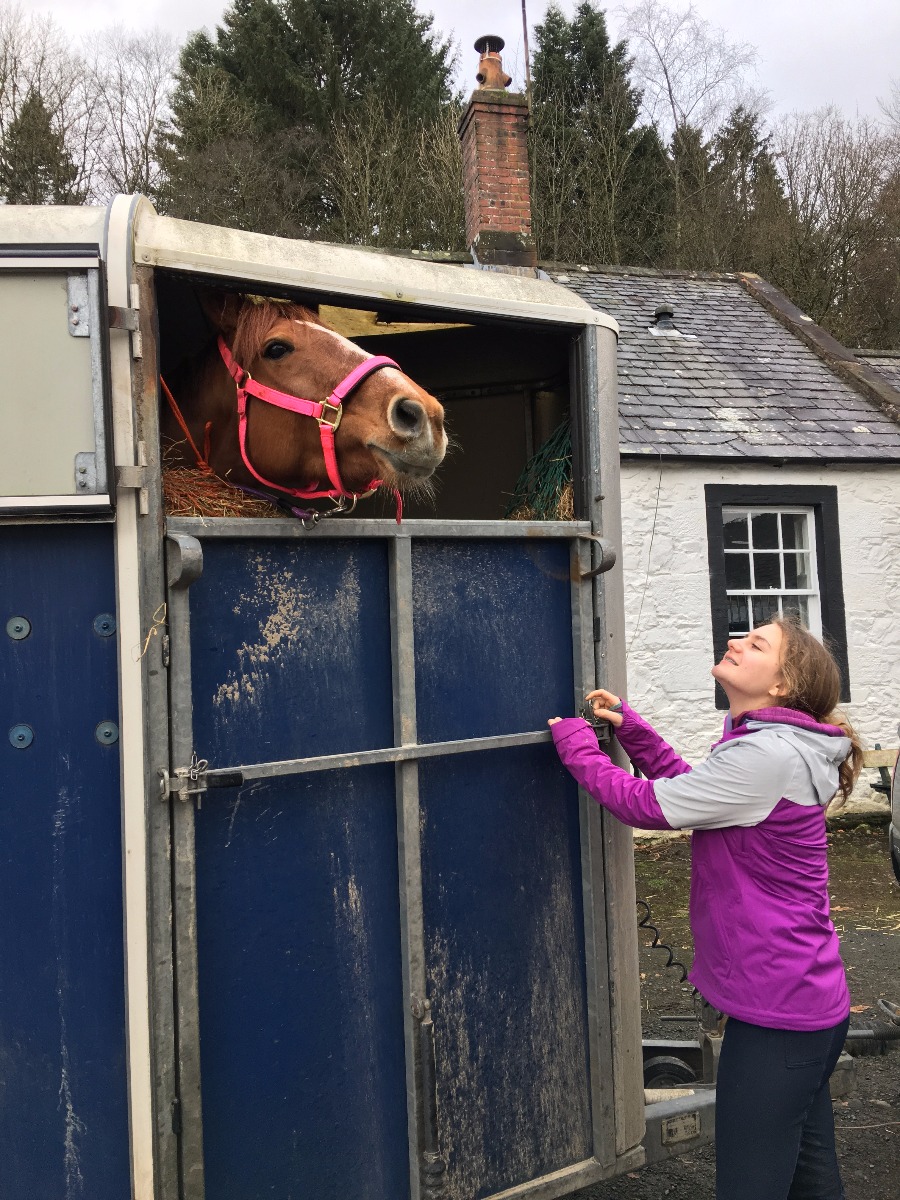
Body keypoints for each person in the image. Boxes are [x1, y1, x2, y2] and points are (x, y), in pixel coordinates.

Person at [548, 616, 862, 1200]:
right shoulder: (777, 746)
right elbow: (704, 795)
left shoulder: (769, 755)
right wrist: (635, 734)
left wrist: (575, 744)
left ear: (783, 686)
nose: (737, 641)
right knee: (812, 1180)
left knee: (751, 1185)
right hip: (806, 1006)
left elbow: (644, 804)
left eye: (757, 643)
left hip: (779, 1018)